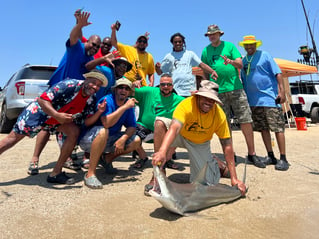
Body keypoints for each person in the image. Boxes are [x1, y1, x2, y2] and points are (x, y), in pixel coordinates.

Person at [0, 71, 108, 185]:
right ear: (87, 79)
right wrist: (57, 115)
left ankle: (56, 173)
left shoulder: (91, 99)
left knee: (74, 131)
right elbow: (42, 99)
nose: (95, 87)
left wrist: (99, 112)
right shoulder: (70, 85)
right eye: (93, 82)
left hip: (56, 121)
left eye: (99, 85)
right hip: (39, 113)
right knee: (11, 139)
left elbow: (86, 122)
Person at [28, 10, 102, 175]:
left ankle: (66, 158)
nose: (94, 47)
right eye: (93, 44)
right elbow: (74, 36)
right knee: (46, 127)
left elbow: (91, 65)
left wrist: (104, 58)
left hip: (72, 97)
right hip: (56, 92)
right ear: (86, 41)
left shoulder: (89, 59)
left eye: (97, 46)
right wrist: (78, 25)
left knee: (67, 126)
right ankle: (34, 159)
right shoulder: (77, 48)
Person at [150, 80, 246, 196]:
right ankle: (157, 174)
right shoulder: (186, 105)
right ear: (198, 96)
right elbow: (174, 128)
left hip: (199, 143)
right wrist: (162, 152)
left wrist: (234, 178)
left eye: (212, 100)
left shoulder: (219, 115)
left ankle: (217, 165)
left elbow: (227, 145)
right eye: (205, 98)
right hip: (180, 134)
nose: (208, 102)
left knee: (205, 185)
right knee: (160, 123)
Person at [201, 24, 265, 168]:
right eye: (209, 34)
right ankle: (230, 154)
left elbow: (240, 64)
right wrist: (207, 83)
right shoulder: (206, 51)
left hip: (236, 88)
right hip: (217, 92)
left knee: (245, 120)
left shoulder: (229, 46)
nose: (212, 36)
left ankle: (252, 154)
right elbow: (204, 68)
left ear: (219, 34)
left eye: (214, 34)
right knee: (224, 124)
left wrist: (231, 62)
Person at [239, 35, 289, 171]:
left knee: (278, 128)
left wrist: (282, 91)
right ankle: (270, 155)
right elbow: (243, 80)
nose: (249, 47)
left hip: (270, 99)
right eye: (247, 45)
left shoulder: (265, 55)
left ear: (256, 45)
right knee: (263, 129)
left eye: (251, 45)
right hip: (254, 101)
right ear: (244, 46)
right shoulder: (243, 61)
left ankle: (283, 158)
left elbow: (277, 73)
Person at [79, 78, 140, 189]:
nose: (124, 90)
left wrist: (123, 139)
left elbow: (132, 127)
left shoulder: (128, 104)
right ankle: (90, 174)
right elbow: (106, 123)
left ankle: (106, 159)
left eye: (127, 88)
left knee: (136, 140)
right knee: (104, 131)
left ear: (129, 92)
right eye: (121, 87)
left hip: (109, 139)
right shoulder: (107, 100)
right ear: (115, 90)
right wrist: (124, 107)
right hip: (90, 139)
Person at [132, 74, 184, 169]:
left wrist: (196, 95)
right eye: (163, 84)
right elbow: (128, 92)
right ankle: (143, 157)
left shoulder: (179, 100)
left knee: (179, 129)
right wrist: (132, 85)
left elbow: (193, 105)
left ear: (172, 86)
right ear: (159, 85)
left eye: (169, 85)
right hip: (145, 128)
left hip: (164, 131)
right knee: (131, 132)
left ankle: (167, 158)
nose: (166, 87)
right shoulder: (148, 91)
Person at [155, 32, 218, 97]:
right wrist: (157, 67)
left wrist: (212, 71)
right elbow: (160, 72)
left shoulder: (190, 54)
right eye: (175, 42)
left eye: (180, 42)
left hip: (189, 92)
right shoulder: (168, 56)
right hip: (175, 92)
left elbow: (202, 65)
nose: (178, 44)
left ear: (183, 42)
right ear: (172, 43)